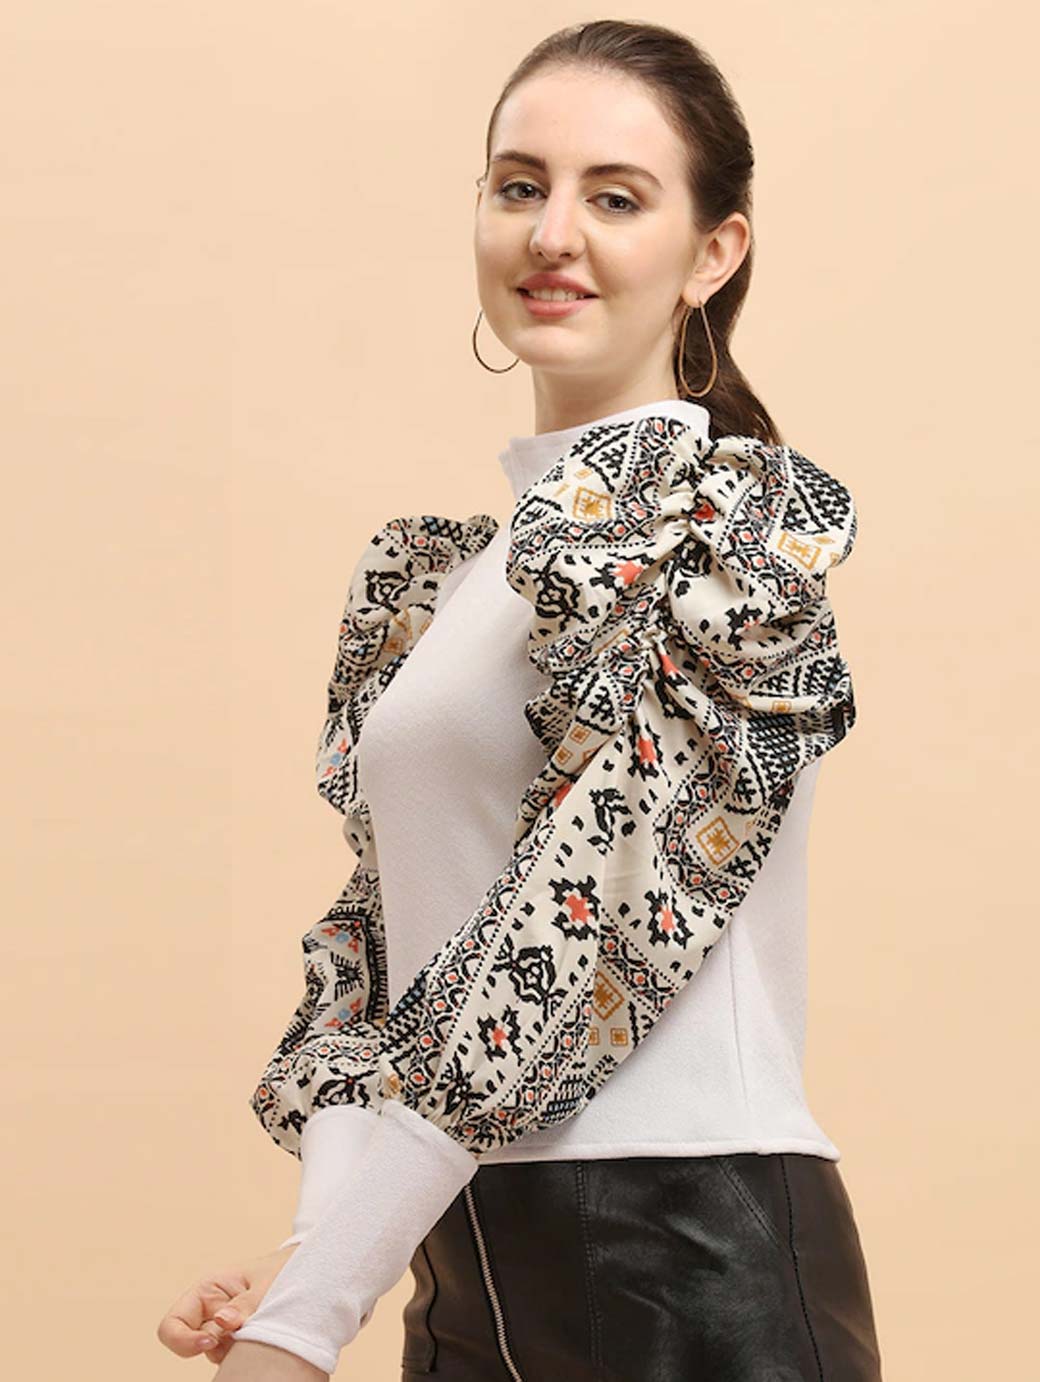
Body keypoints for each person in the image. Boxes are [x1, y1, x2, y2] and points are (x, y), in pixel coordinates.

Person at [157, 19, 884, 1381]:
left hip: (689, 1262)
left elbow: (589, 916)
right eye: (519, 186)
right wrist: (309, 1266)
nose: (554, 233)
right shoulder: (448, 588)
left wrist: (308, 1321)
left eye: (617, 197)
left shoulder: (724, 541)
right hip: (464, 1268)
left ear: (714, 251)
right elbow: (391, 962)